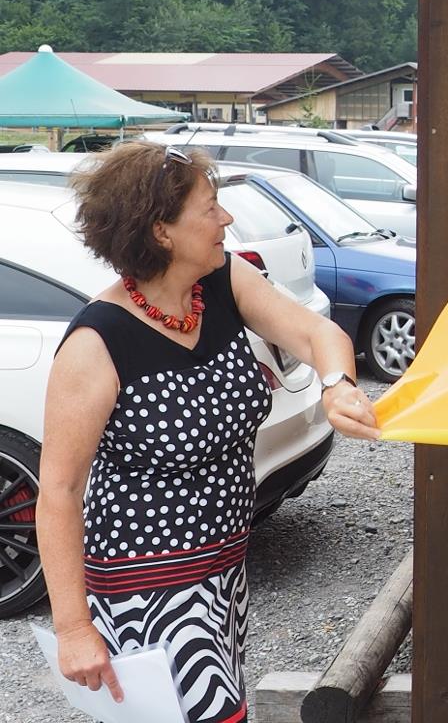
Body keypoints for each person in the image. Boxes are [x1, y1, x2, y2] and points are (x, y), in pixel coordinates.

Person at [36, 142, 382, 723]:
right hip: (146, 581)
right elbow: (59, 492)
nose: (226, 219)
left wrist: (339, 384)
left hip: (222, 564)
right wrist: (73, 628)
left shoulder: (220, 283)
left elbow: (316, 334)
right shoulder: (97, 342)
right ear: (161, 231)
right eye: (211, 207)